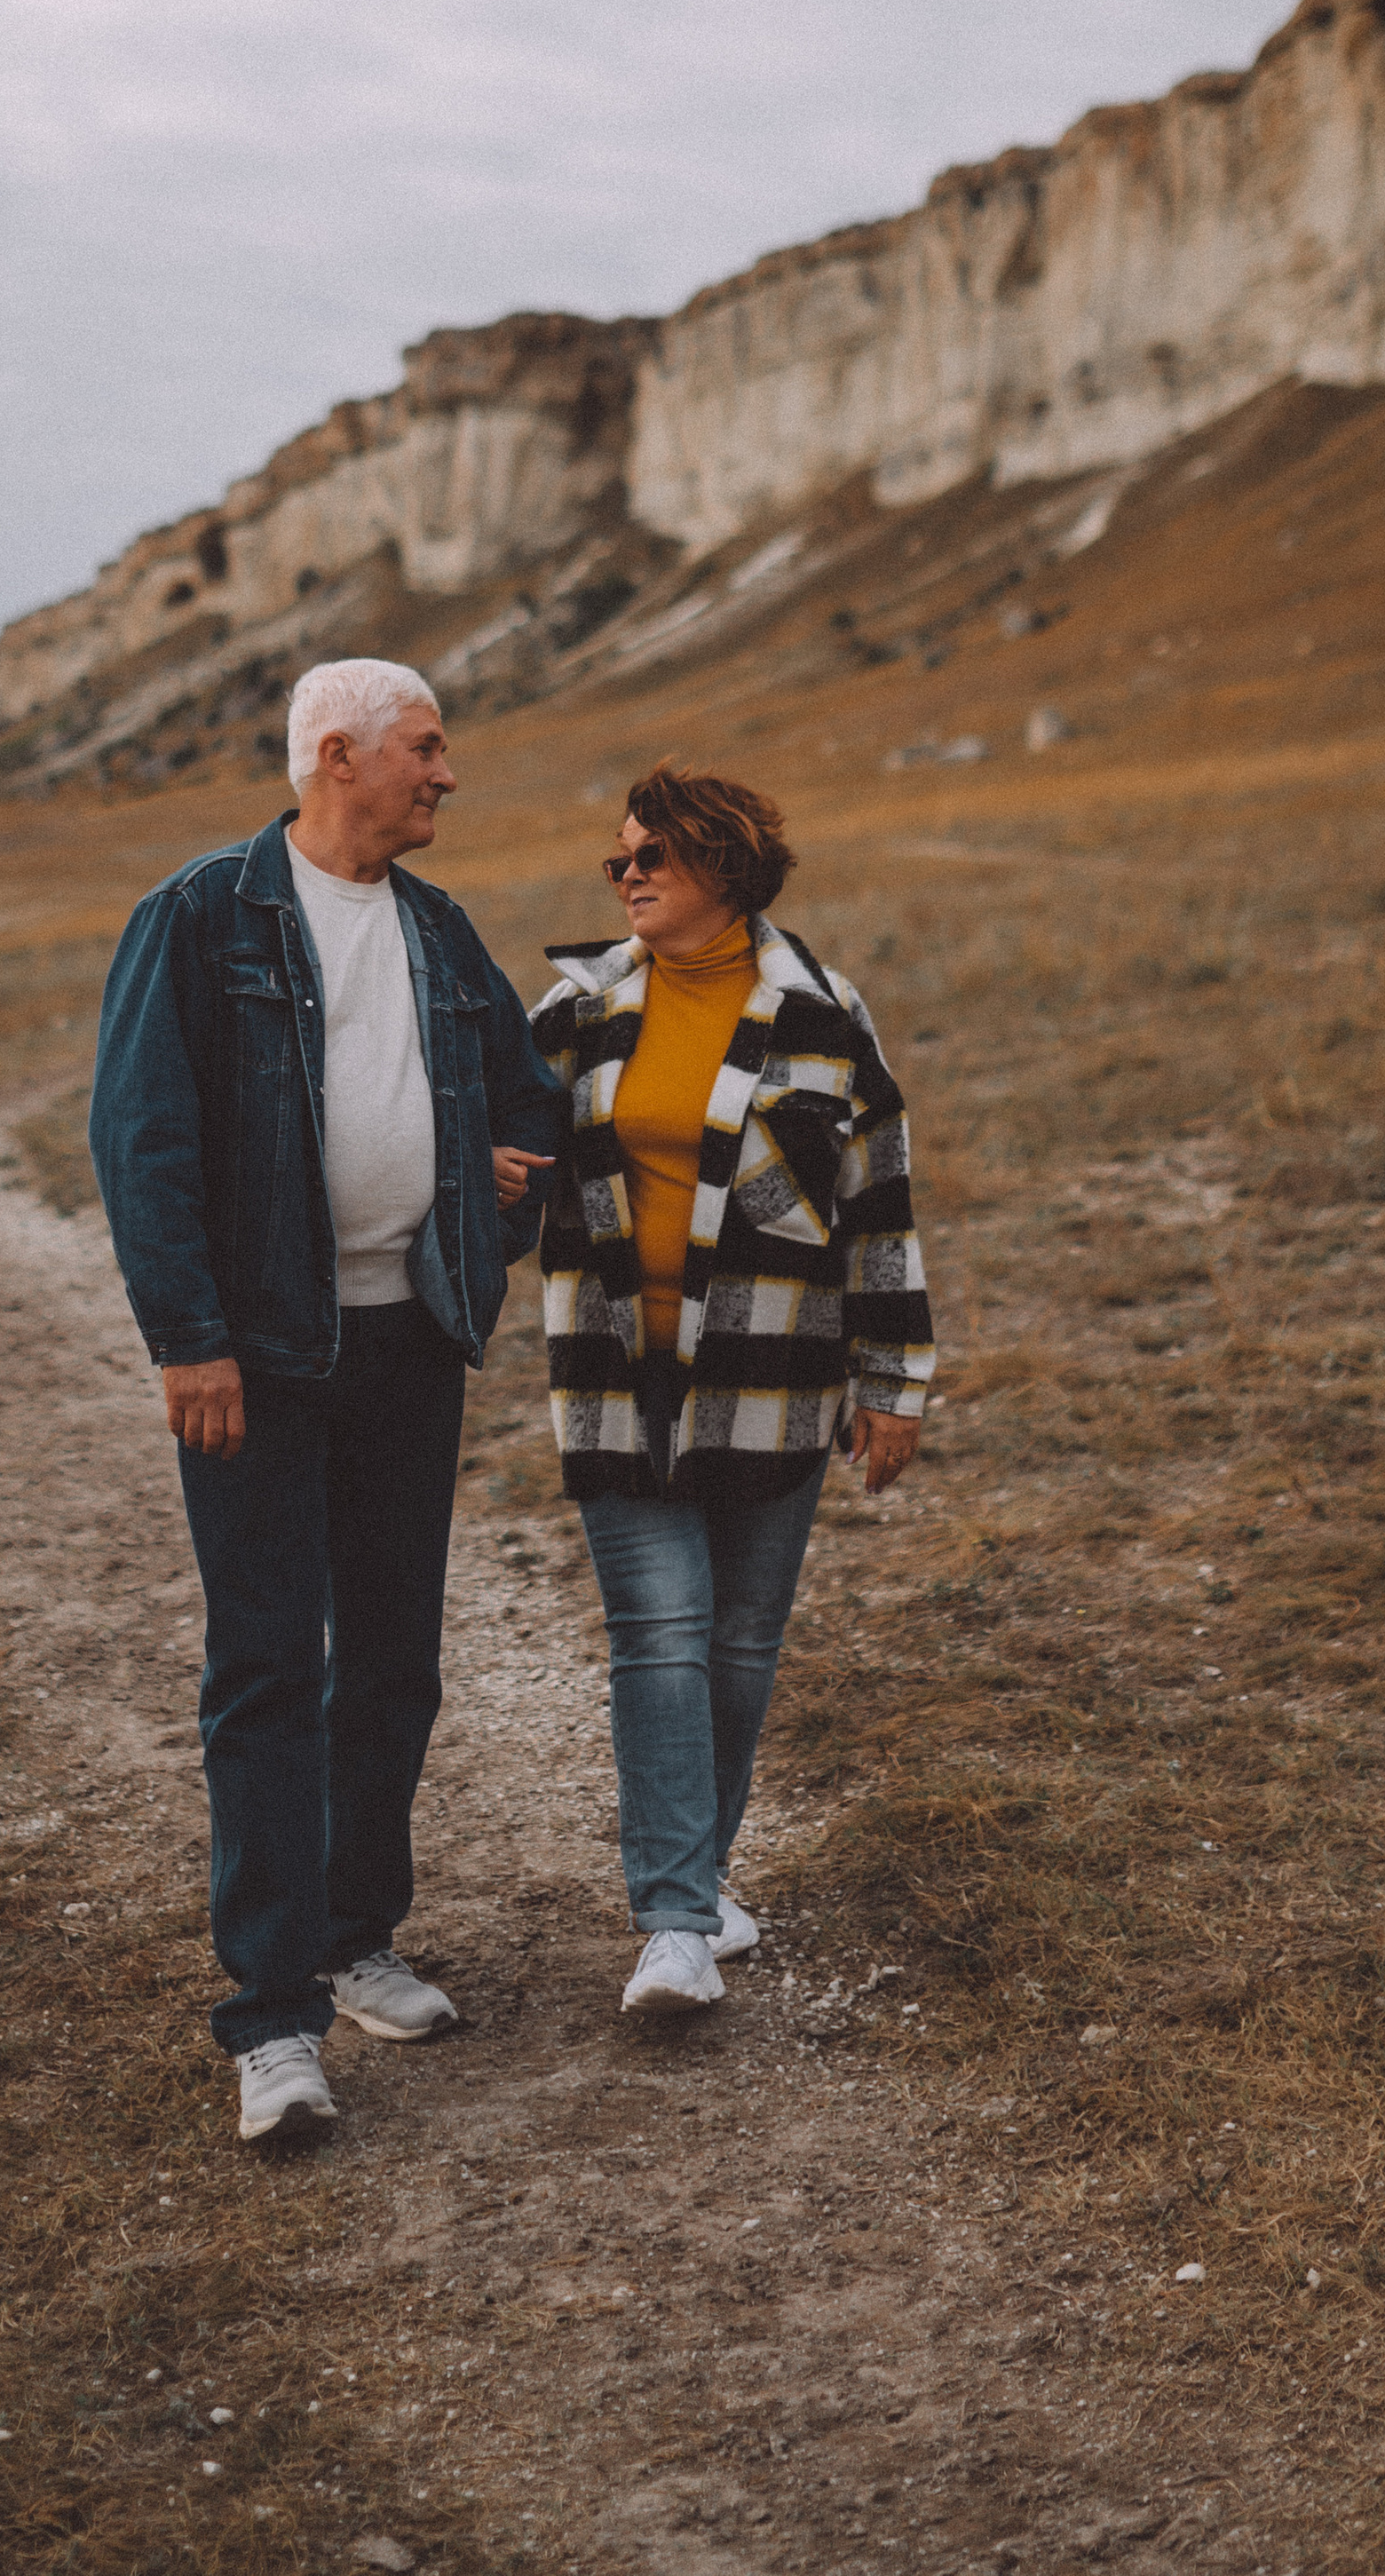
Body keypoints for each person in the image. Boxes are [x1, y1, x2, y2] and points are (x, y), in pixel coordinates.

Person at [90, 658, 565, 2143]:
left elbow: (529, 1111)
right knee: (267, 1673)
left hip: (406, 1345)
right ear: (338, 756)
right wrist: (190, 1340)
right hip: (262, 1358)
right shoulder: (200, 915)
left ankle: (359, 1932)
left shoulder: (436, 928)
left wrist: (492, 1180)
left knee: (394, 1660)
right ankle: (274, 2019)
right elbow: (143, 1138)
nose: (444, 775)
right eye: (424, 750)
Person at [531, 766, 933, 2015]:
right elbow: (492, 1150)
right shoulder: (576, 1011)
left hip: (776, 1379)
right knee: (659, 1635)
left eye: (652, 855)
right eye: (619, 860)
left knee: (741, 1644)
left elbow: (879, 1210)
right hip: (611, 1381)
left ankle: (697, 1881)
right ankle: (674, 1923)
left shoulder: (822, 1016)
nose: (629, 875)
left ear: (727, 867)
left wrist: (896, 1379)